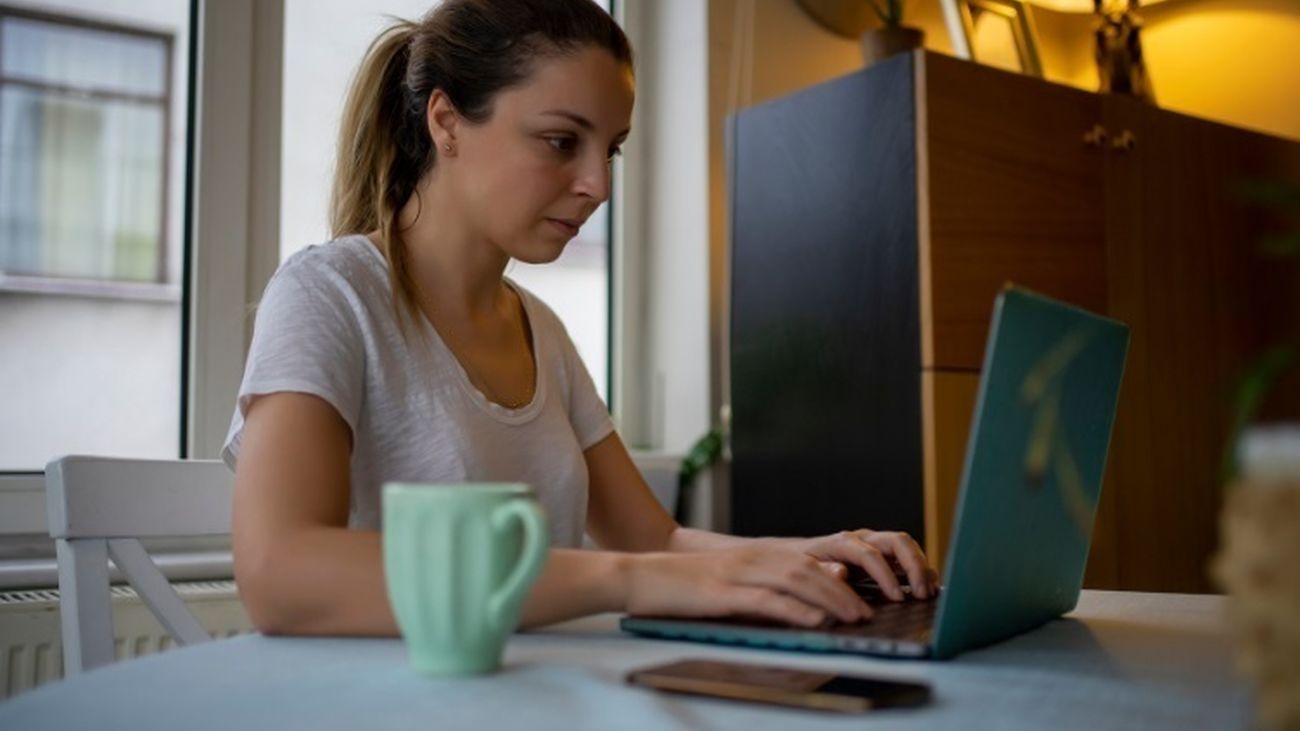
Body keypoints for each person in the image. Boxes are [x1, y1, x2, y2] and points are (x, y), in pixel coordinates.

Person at [224, 0, 936, 637]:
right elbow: (280, 570)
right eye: (563, 141)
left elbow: (653, 541)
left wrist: (813, 552)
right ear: (446, 122)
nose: (598, 185)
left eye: (612, 149)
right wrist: (620, 580)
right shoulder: (328, 295)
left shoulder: (542, 332)